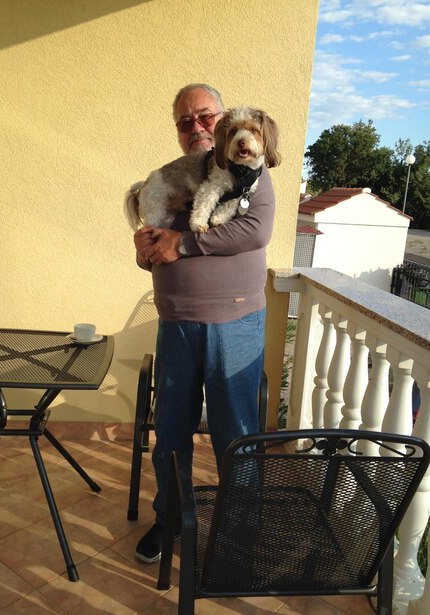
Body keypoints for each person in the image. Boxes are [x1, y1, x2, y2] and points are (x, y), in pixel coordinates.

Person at [133, 83, 276, 563]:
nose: (196, 127)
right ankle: (169, 518)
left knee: (234, 434)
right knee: (171, 431)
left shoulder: (247, 171)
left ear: (224, 122)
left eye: (205, 117)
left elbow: (254, 229)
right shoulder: (176, 178)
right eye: (185, 121)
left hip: (235, 323)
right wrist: (147, 250)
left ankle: (241, 533)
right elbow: (157, 240)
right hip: (176, 322)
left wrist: (180, 244)